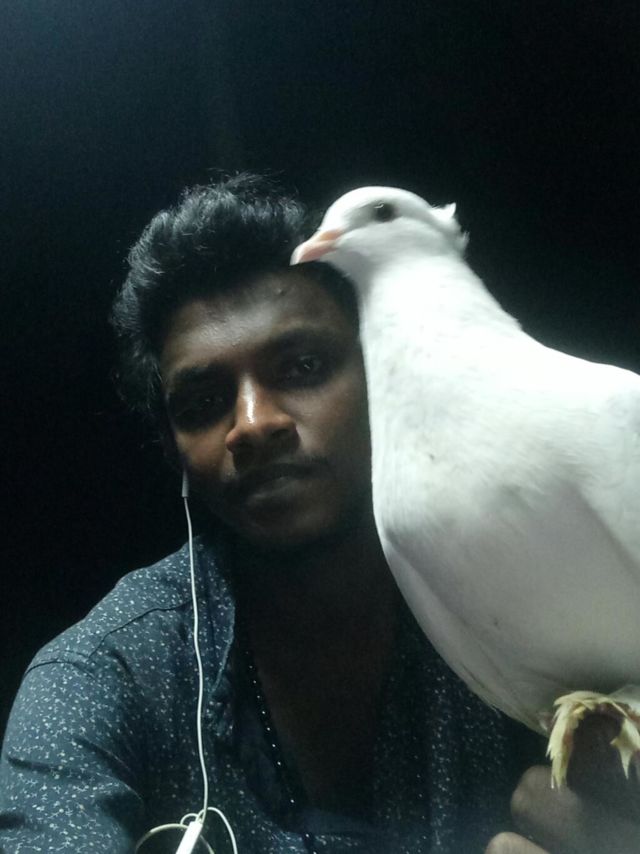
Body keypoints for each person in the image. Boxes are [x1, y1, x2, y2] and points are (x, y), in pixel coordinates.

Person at [1, 174, 638, 853]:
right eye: (203, 404)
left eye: (303, 367)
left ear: (377, 372)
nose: (254, 424)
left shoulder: (520, 567)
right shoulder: (100, 680)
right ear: (174, 453)